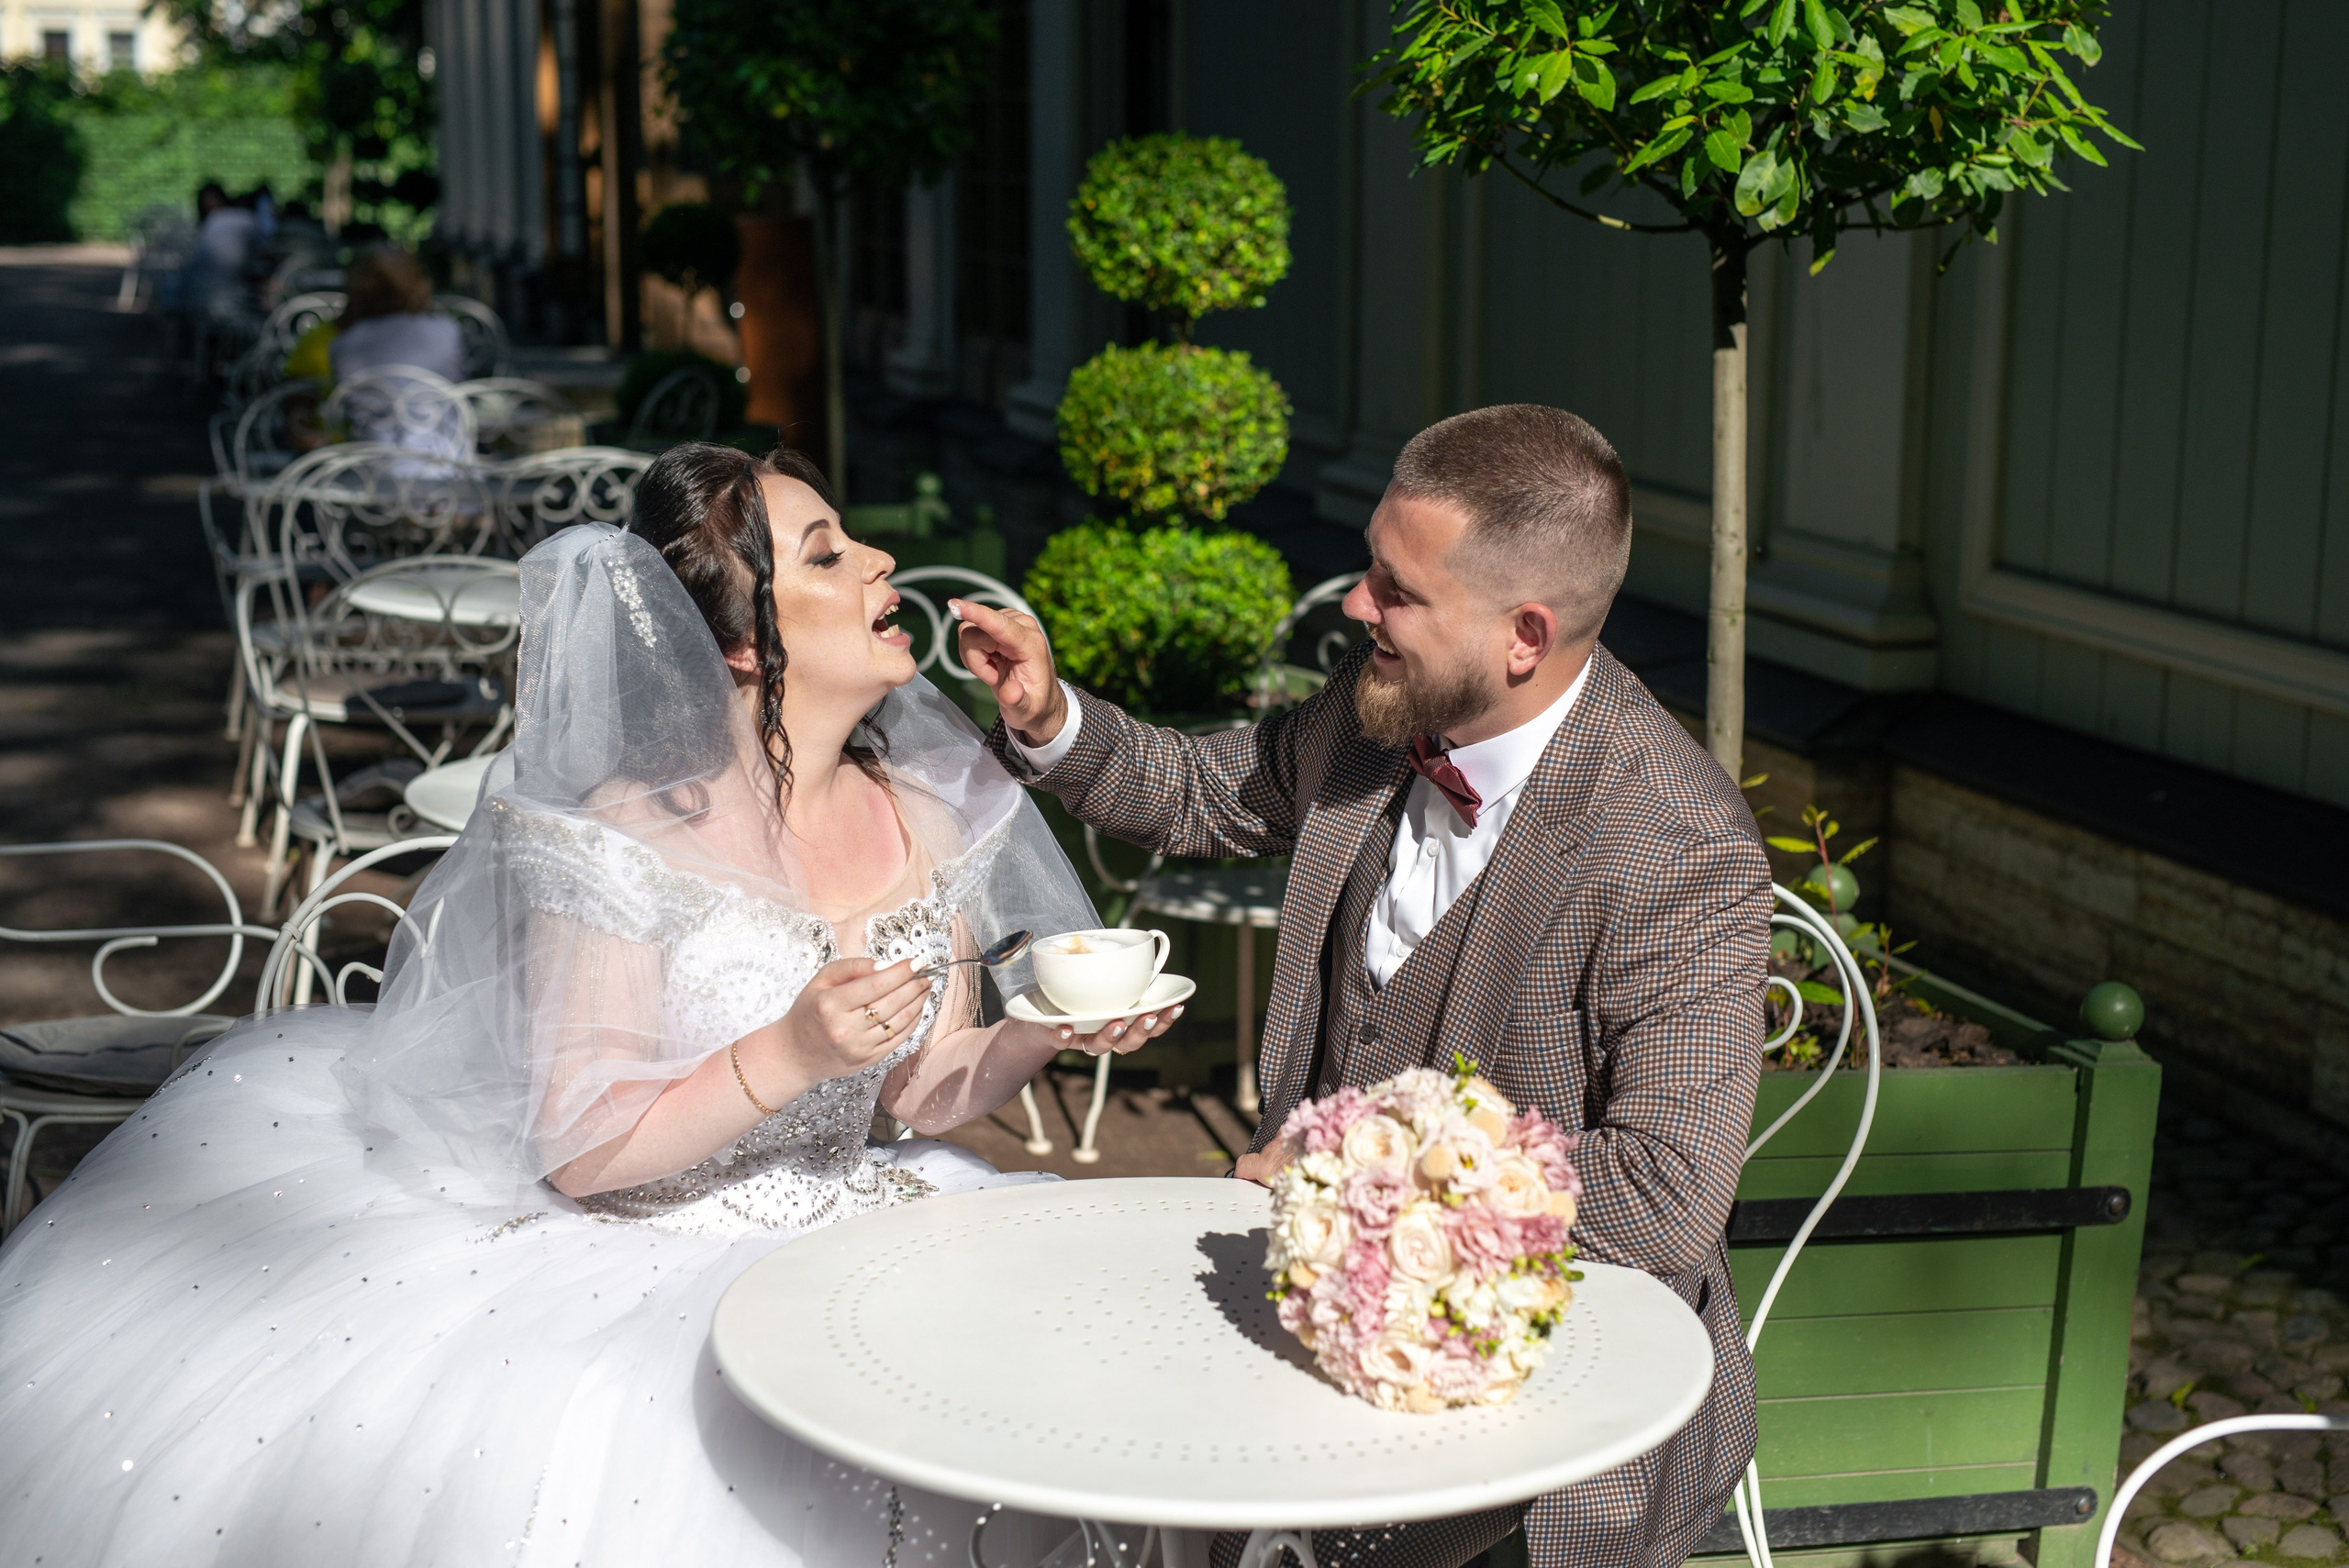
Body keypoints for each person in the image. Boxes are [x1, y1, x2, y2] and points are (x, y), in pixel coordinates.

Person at [0, 444, 1177, 1566]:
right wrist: (786, 1049)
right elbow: (582, 1147)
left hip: (855, 1212)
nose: (879, 562)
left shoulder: (923, 811)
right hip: (644, 1251)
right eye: (826, 553)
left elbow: (915, 1092)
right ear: (740, 649)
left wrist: (1033, 1030)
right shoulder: (620, 836)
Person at [957, 405, 1768, 1568]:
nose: (1354, 607)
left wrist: (1354, 1168)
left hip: (1541, 1421)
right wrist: (1050, 719)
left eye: (1395, 588)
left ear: (1523, 634)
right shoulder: (1385, 703)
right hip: (1312, 1335)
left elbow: (1668, 1192)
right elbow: (1213, 788)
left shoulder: (1673, 843)